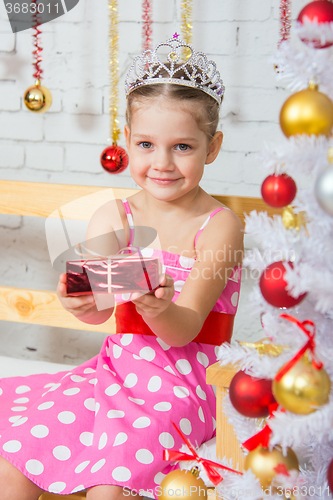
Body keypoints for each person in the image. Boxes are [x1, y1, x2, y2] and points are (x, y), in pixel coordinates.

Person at [0, 36, 243, 500]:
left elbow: (182, 330)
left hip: (183, 387)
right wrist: (78, 299)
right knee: (14, 457)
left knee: (109, 483)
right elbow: (98, 308)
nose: (162, 163)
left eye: (183, 147)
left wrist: (156, 306)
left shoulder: (219, 227)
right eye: (147, 144)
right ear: (127, 141)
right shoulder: (115, 216)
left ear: (212, 148)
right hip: (113, 372)